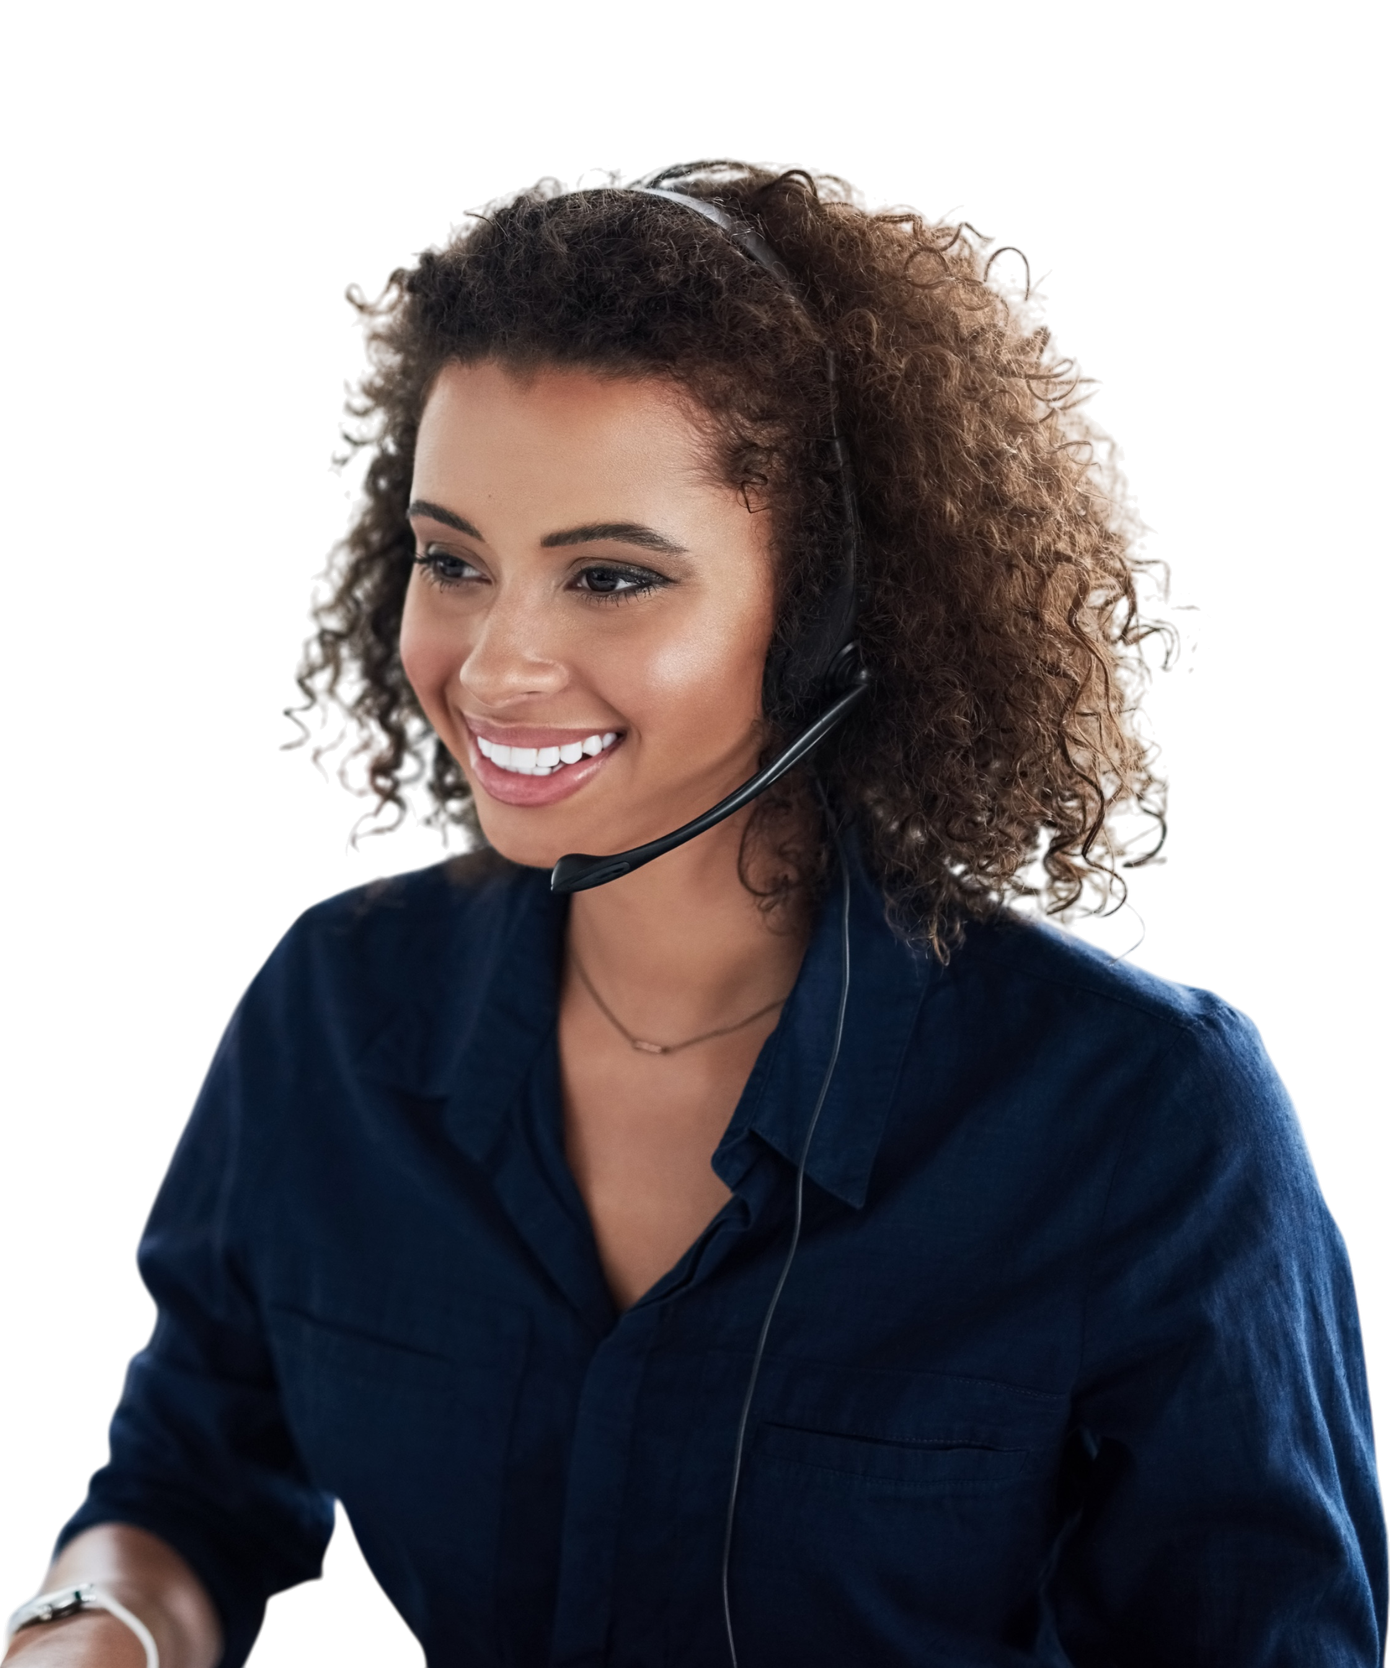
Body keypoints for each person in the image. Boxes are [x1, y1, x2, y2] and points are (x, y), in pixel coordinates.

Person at [4, 160, 1385, 1668]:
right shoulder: (333, 1012)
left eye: (609, 577)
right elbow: (188, 1484)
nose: (493, 667)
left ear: (825, 619)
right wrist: (95, 1626)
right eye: (453, 561)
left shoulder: (1145, 1116)